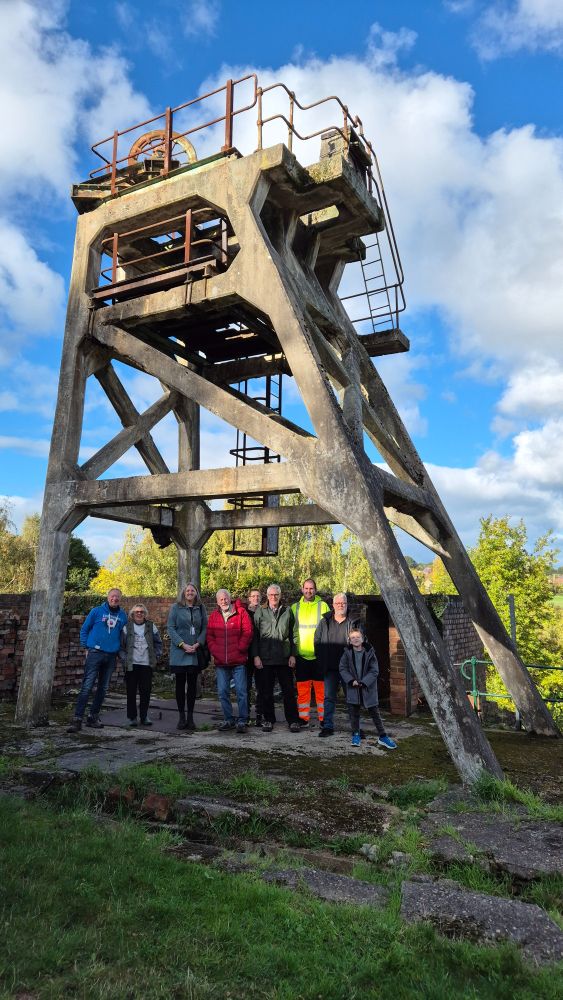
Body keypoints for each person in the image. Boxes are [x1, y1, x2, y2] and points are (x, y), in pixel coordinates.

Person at [67, 588, 128, 732]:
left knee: (103, 688)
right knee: (87, 686)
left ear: (120, 599)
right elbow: (84, 629)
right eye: (112, 596)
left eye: (117, 597)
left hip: (111, 655)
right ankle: (77, 719)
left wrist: (121, 652)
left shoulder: (123, 615)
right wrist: (86, 647)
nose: (115, 599)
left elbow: (123, 636)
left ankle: (93, 717)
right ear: (108, 597)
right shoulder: (96, 611)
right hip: (95, 653)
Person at [252, 583, 301, 733]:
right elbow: (254, 636)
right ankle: (268, 720)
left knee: (288, 692)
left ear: (280, 596)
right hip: (265, 658)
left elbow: (294, 635)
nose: (274, 597)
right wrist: (255, 656)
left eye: (276, 595)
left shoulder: (288, 611)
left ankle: (293, 720)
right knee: (266, 691)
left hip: (284, 658)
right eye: (271, 595)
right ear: (267, 596)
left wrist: (293, 654)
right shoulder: (260, 612)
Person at [339, 626, 397, 749]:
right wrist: (350, 680)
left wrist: (365, 682)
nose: (355, 639)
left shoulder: (369, 652)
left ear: (363, 638)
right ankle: (356, 734)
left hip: (367, 688)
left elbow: (374, 670)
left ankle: (383, 736)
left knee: (375, 713)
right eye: (352, 637)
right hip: (353, 688)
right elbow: (342, 669)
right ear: (349, 640)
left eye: (358, 637)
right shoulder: (346, 653)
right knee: (354, 713)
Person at [206, 589, 253, 733]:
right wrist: (216, 651)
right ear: (217, 602)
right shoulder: (214, 616)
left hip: (238, 661)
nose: (224, 601)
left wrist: (241, 648)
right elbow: (210, 637)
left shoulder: (241, 613)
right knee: (222, 692)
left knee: (241, 691)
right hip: (221, 662)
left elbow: (248, 631)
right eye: (221, 599)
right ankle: (228, 719)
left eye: (225, 598)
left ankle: (243, 720)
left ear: (229, 599)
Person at [314, 592, 360, 737]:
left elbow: (361, 643)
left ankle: (356, 729)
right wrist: (321, 661)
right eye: (338, 603)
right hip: (330, 668)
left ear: (347, 605)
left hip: (349, 669)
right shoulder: (325, 621)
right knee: (328, 698)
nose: (341, 605)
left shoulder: (354, 622)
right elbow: (317, 641)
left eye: (343, 603)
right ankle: (327, 726)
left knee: (352, 698)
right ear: (333, 605)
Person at [167, 582, 208, 731]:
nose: (190, 592)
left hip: (194, 651)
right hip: (179, 651)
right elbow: (171, 628)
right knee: (180, 685)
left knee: (192, 685)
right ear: (184, 593)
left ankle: (190, 717)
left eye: (193, 590)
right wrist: (182, 645)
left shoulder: (201, 608)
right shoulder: (175, 608)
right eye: (188, 590)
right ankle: (181, 717)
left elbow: (205, 627)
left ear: (196, 593)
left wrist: (198, 644)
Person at [291, 578, 329, 726]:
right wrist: (293, 654)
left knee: (321, 691)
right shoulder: (295, 607)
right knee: (302, 690)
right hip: (301, 656)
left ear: (316, 589)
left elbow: (328, 631)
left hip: (319, 656)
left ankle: (323, 719)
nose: (308, 591)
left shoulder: (324, 606)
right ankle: (303, 719)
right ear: (302, 589)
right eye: (306, 588)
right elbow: (291, 632)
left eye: (311, 588)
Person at [121, 604, 163, 727]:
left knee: (146, 691)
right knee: (131, 691)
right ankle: (132, 717)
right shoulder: (127, 627)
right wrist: (124, 659)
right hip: (131, 664)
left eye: (142, 612)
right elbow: (121, 646)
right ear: (132, 614)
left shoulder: (151, 626)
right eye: (137, 612)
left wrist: (156, 656)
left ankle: (144, 716)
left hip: (146, 664)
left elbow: (158, 643)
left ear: (145, 614)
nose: (139, 614)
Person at [244, 588, 263, 726]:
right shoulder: (244, 613)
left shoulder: (264, 613)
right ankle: (245, 715)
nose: (256, 598)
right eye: (253, 596)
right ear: (249, 598)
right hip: (246, 655)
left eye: (258, 596)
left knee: (261, 687)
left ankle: (259, 714)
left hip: (261, 655)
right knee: (245, 687)